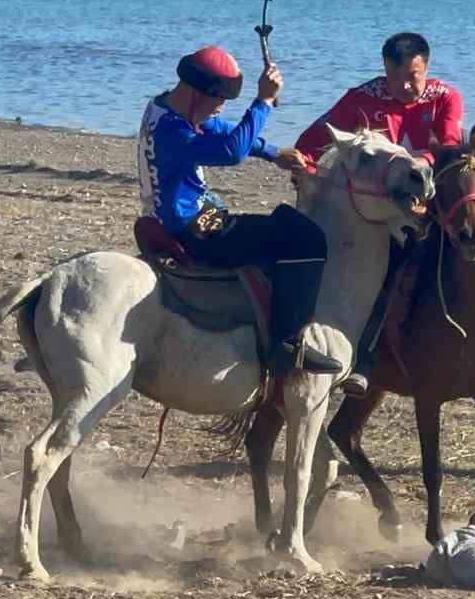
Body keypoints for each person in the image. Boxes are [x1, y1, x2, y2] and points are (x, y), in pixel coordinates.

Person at [278, 32, 475, 396]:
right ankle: (364, 360)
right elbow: (313, 139)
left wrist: (422, 162)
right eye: (395, 76)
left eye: (413, 75)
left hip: (446, 205)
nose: (404, 85)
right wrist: (301, 162)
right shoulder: (361, 99)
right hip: (391, 210)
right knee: (387, 269)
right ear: (385, 69)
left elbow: (449, 146)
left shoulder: (445, 97)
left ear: (426, 67)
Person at [137, 44, 340, 374]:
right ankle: (288, 346)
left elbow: (226, 133)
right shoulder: (172, 132)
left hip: (181, 219)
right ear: (195, 94)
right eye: (219, 101)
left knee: (281, 223)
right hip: (198, 230)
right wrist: (264, 101)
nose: (220, 109)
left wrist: (274, 154)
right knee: (306, 236)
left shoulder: (165, 108)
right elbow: (232, 151)